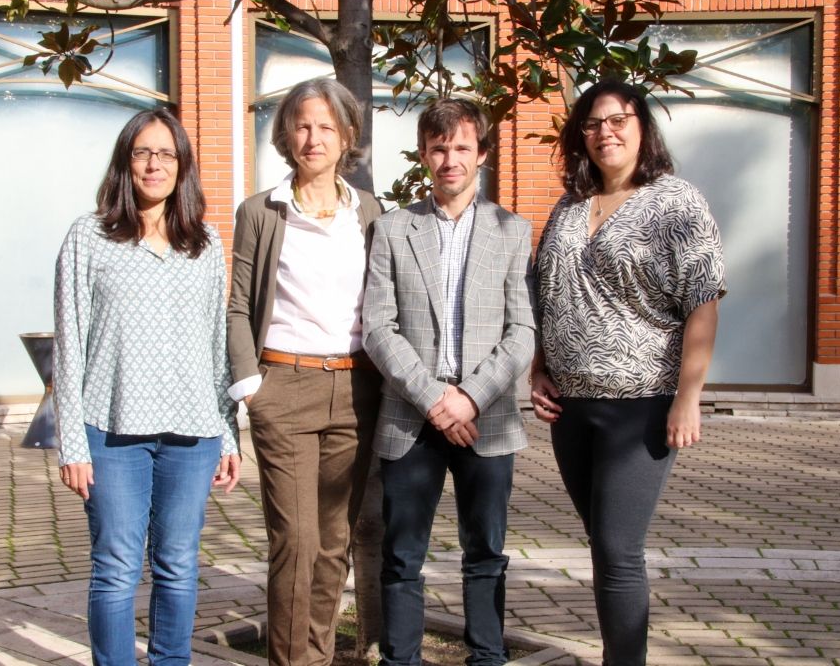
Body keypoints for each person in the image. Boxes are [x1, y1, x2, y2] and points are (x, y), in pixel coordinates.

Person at [528, 79, 726, 665]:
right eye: (592, 124)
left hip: (640, 405)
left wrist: (688, 398)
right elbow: (547, 290)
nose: (604, 132)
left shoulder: (676, 203)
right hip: (571, 408)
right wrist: (538, 367)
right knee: (604, 547)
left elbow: (703, 301)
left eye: (618, 120)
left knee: (618, 549)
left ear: (643, 128)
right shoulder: (569, 206)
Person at [53, 107, 241, 666]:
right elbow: (69, 345)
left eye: (166, 153)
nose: (154, 163)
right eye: (142, 152)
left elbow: (216, 349)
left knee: (179, 564)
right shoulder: (88, 237)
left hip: (192, 435)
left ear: (182, 165)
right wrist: (72, 444)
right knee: (115, 566)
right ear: (125, 162)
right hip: (110, 435)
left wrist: (229, 437)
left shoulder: (204, 244)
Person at [363, 98, 535, 666]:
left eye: (462, 147)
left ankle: (487, 657)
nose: (450, 159)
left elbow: (522, 332)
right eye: (439, 148)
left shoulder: (512, 231)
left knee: (485, 551)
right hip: (412, 417)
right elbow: (378, 327)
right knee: (402, 553)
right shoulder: (392, 229)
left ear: (481, 154)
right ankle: (400, 660)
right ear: (424, 155)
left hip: (487, 417)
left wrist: (469, 397)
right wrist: (436, 397)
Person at [226, 79, 383, 666]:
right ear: (286, 135)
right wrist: (252, 388)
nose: (312, 137)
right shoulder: (260, 212)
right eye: (301, 125)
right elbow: (239, 306)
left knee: (334, 543)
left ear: (346, 136)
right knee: (297, 543)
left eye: (325, 126)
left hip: (356, 388)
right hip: (284, 390)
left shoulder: (369, 211)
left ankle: (316, 654)